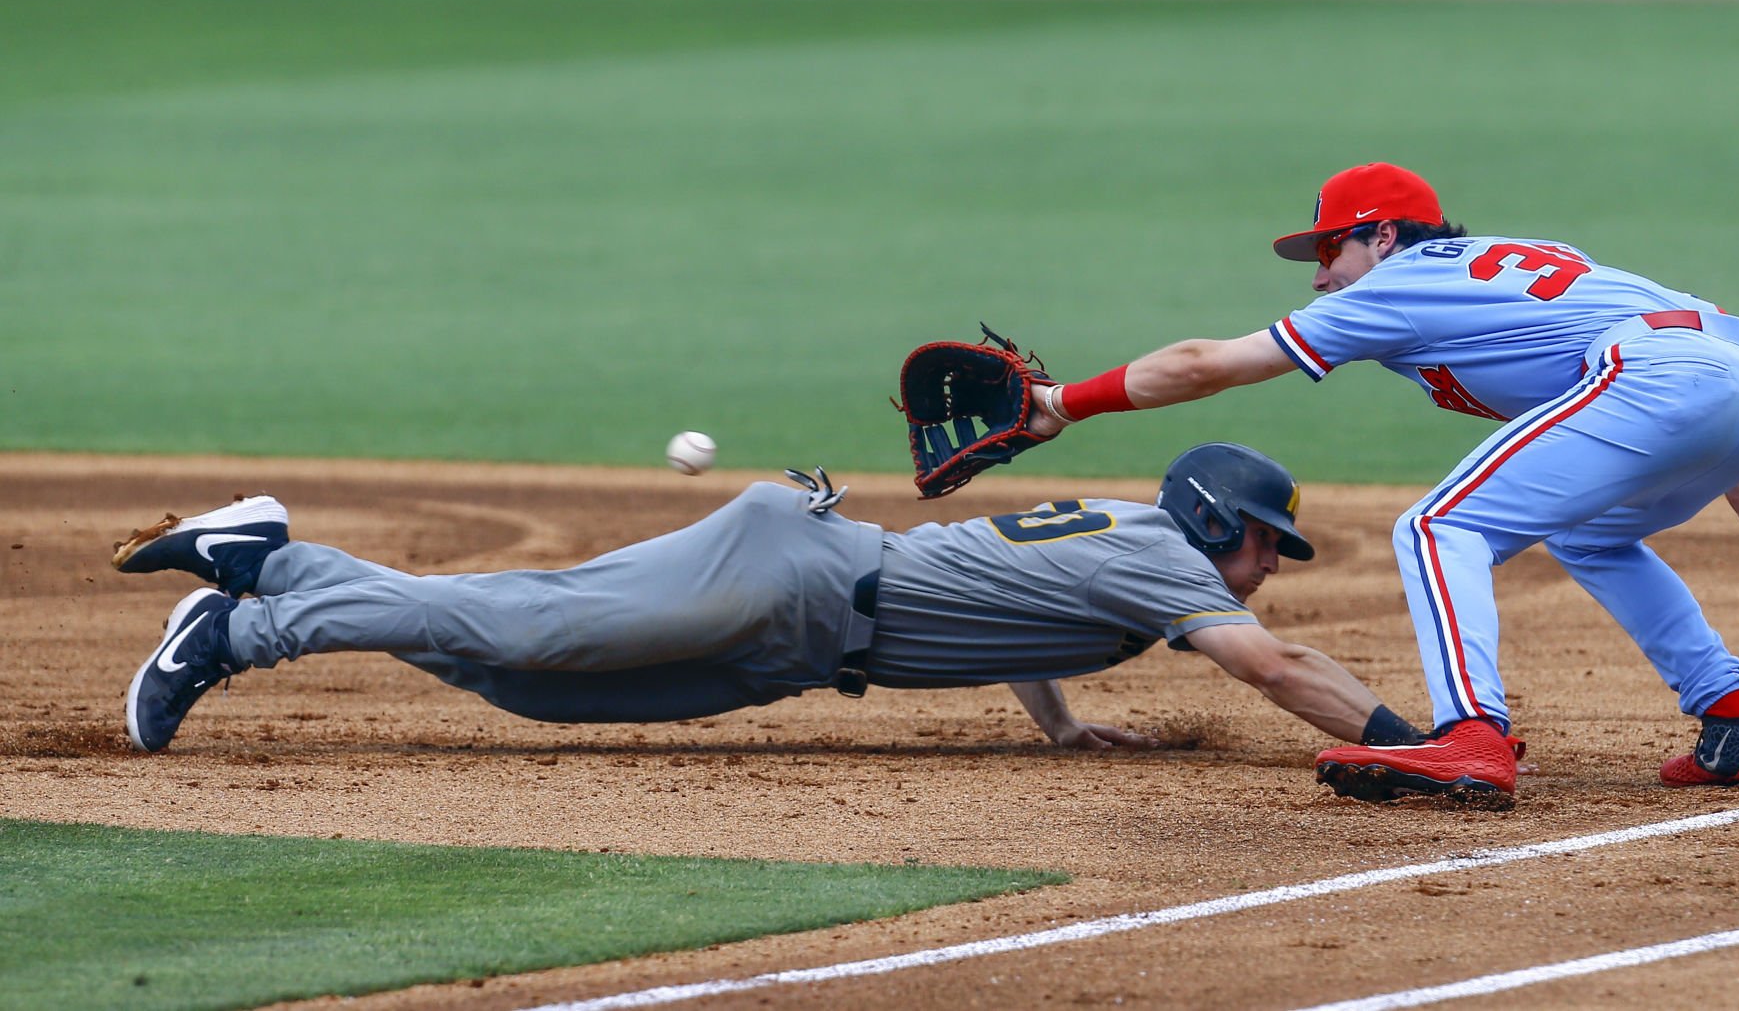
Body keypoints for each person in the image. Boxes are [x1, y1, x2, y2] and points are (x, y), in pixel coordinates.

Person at [1027, 163, 1739, 804]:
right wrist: (1726, 441)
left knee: (1437, 528)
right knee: (1586, 534)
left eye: (1331, 249)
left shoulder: (1402, 283)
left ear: (1384, 236)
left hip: (1658, 382)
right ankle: (1736, 725)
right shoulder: (1523, 256)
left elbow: (1206, 364)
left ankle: (1470, 737)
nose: (1323, 275)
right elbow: (1664, 320)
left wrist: (1063, 403)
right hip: (1735, 379)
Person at [114, 443, 1428, 757]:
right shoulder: (1165, 565)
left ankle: (269, 555)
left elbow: (1012, 610)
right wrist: (1404, 744)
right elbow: (1269, 667)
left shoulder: (1133, 546)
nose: (1264, 570)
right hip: (792, 579)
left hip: (804, 617)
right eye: (1265, 547)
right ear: (1216, 527)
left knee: (528, 683)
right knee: (521, 627)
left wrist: (1061, 729)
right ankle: (243, 626)